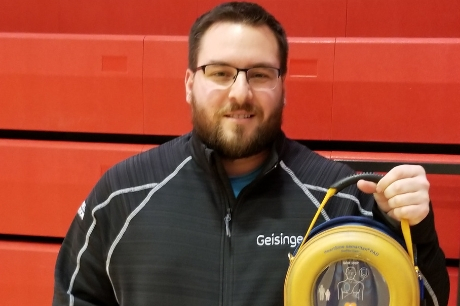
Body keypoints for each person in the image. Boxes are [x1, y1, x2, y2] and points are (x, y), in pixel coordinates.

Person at [53, 2, 449, 305]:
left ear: (283, 87)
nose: (240, 92)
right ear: (190, 83)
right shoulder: (122, 195)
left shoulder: (340, 201)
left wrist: (415, 228)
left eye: (259, 74)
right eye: (220, 72)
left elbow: (426, 300)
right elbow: (76, 295)